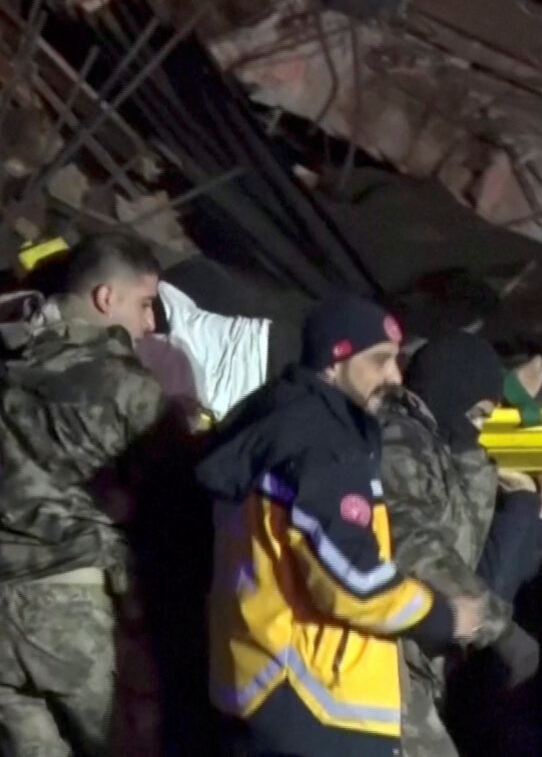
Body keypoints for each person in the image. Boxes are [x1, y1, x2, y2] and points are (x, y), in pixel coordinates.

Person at [199, 295, 486, 757]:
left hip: (268, 685)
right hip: (316, 701)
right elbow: (352, 582)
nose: (394, 377)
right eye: (378, 361)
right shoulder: (326, 444)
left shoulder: (280, 422)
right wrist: (443, 616)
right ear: (333, 363)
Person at [0, 234, 172, 757]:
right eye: (145, 304)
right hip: (74, 599)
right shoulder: (124, 386)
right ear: (105, 298)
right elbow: (173, 505)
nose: (151, 323)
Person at [380, 331, 542, 756]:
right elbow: (413, 543)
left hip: (413, 663)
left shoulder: (436, 450)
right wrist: (500, 628)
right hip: (380, 659)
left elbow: (463, 541)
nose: (482, 431)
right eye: (482, 415)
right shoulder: (397, 442)